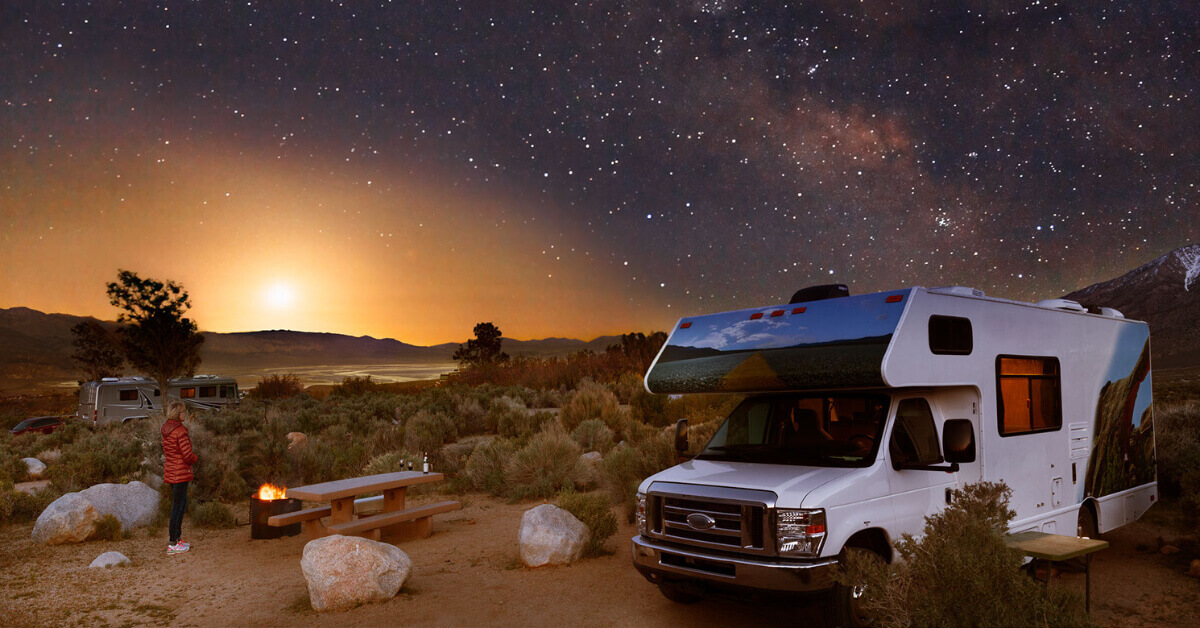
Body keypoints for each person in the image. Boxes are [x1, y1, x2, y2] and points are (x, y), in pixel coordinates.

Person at [162, 401, 198, 555]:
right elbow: (187, 455)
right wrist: (195, 458)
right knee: (178, 506)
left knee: (180, 504)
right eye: (183, 412)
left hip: (171, 471)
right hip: (181, 472)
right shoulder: (180, 431)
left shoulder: (166, 429)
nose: (185, 414)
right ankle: (172, 543)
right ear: (177, 414)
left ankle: (178, 539)